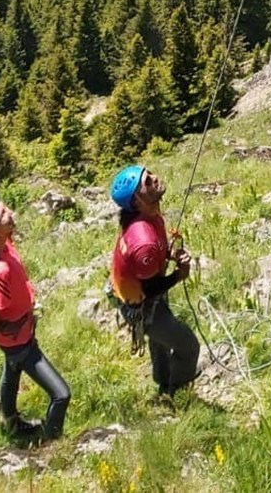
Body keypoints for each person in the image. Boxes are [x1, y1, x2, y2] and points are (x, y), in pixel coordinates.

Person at [0, 192, 70, 445]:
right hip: (17, 340)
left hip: (18, 333)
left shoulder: (0, 245)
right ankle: (53, 442)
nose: (12, 214)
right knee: (61, 394)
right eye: (4, 214)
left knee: (12, 371)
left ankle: (9, 421)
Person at [109, 164, 199, 400]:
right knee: (188, 346)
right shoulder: (143, 241)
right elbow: (150, 290)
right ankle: (177, 395)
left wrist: (170, 255)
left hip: (137, 291)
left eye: (150, 174)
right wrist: (178, 276)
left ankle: (163, 381)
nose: (155, 178)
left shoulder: (148, 215)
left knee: (160, 342)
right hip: (141, 303)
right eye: (147, 182)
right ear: (138, 200)